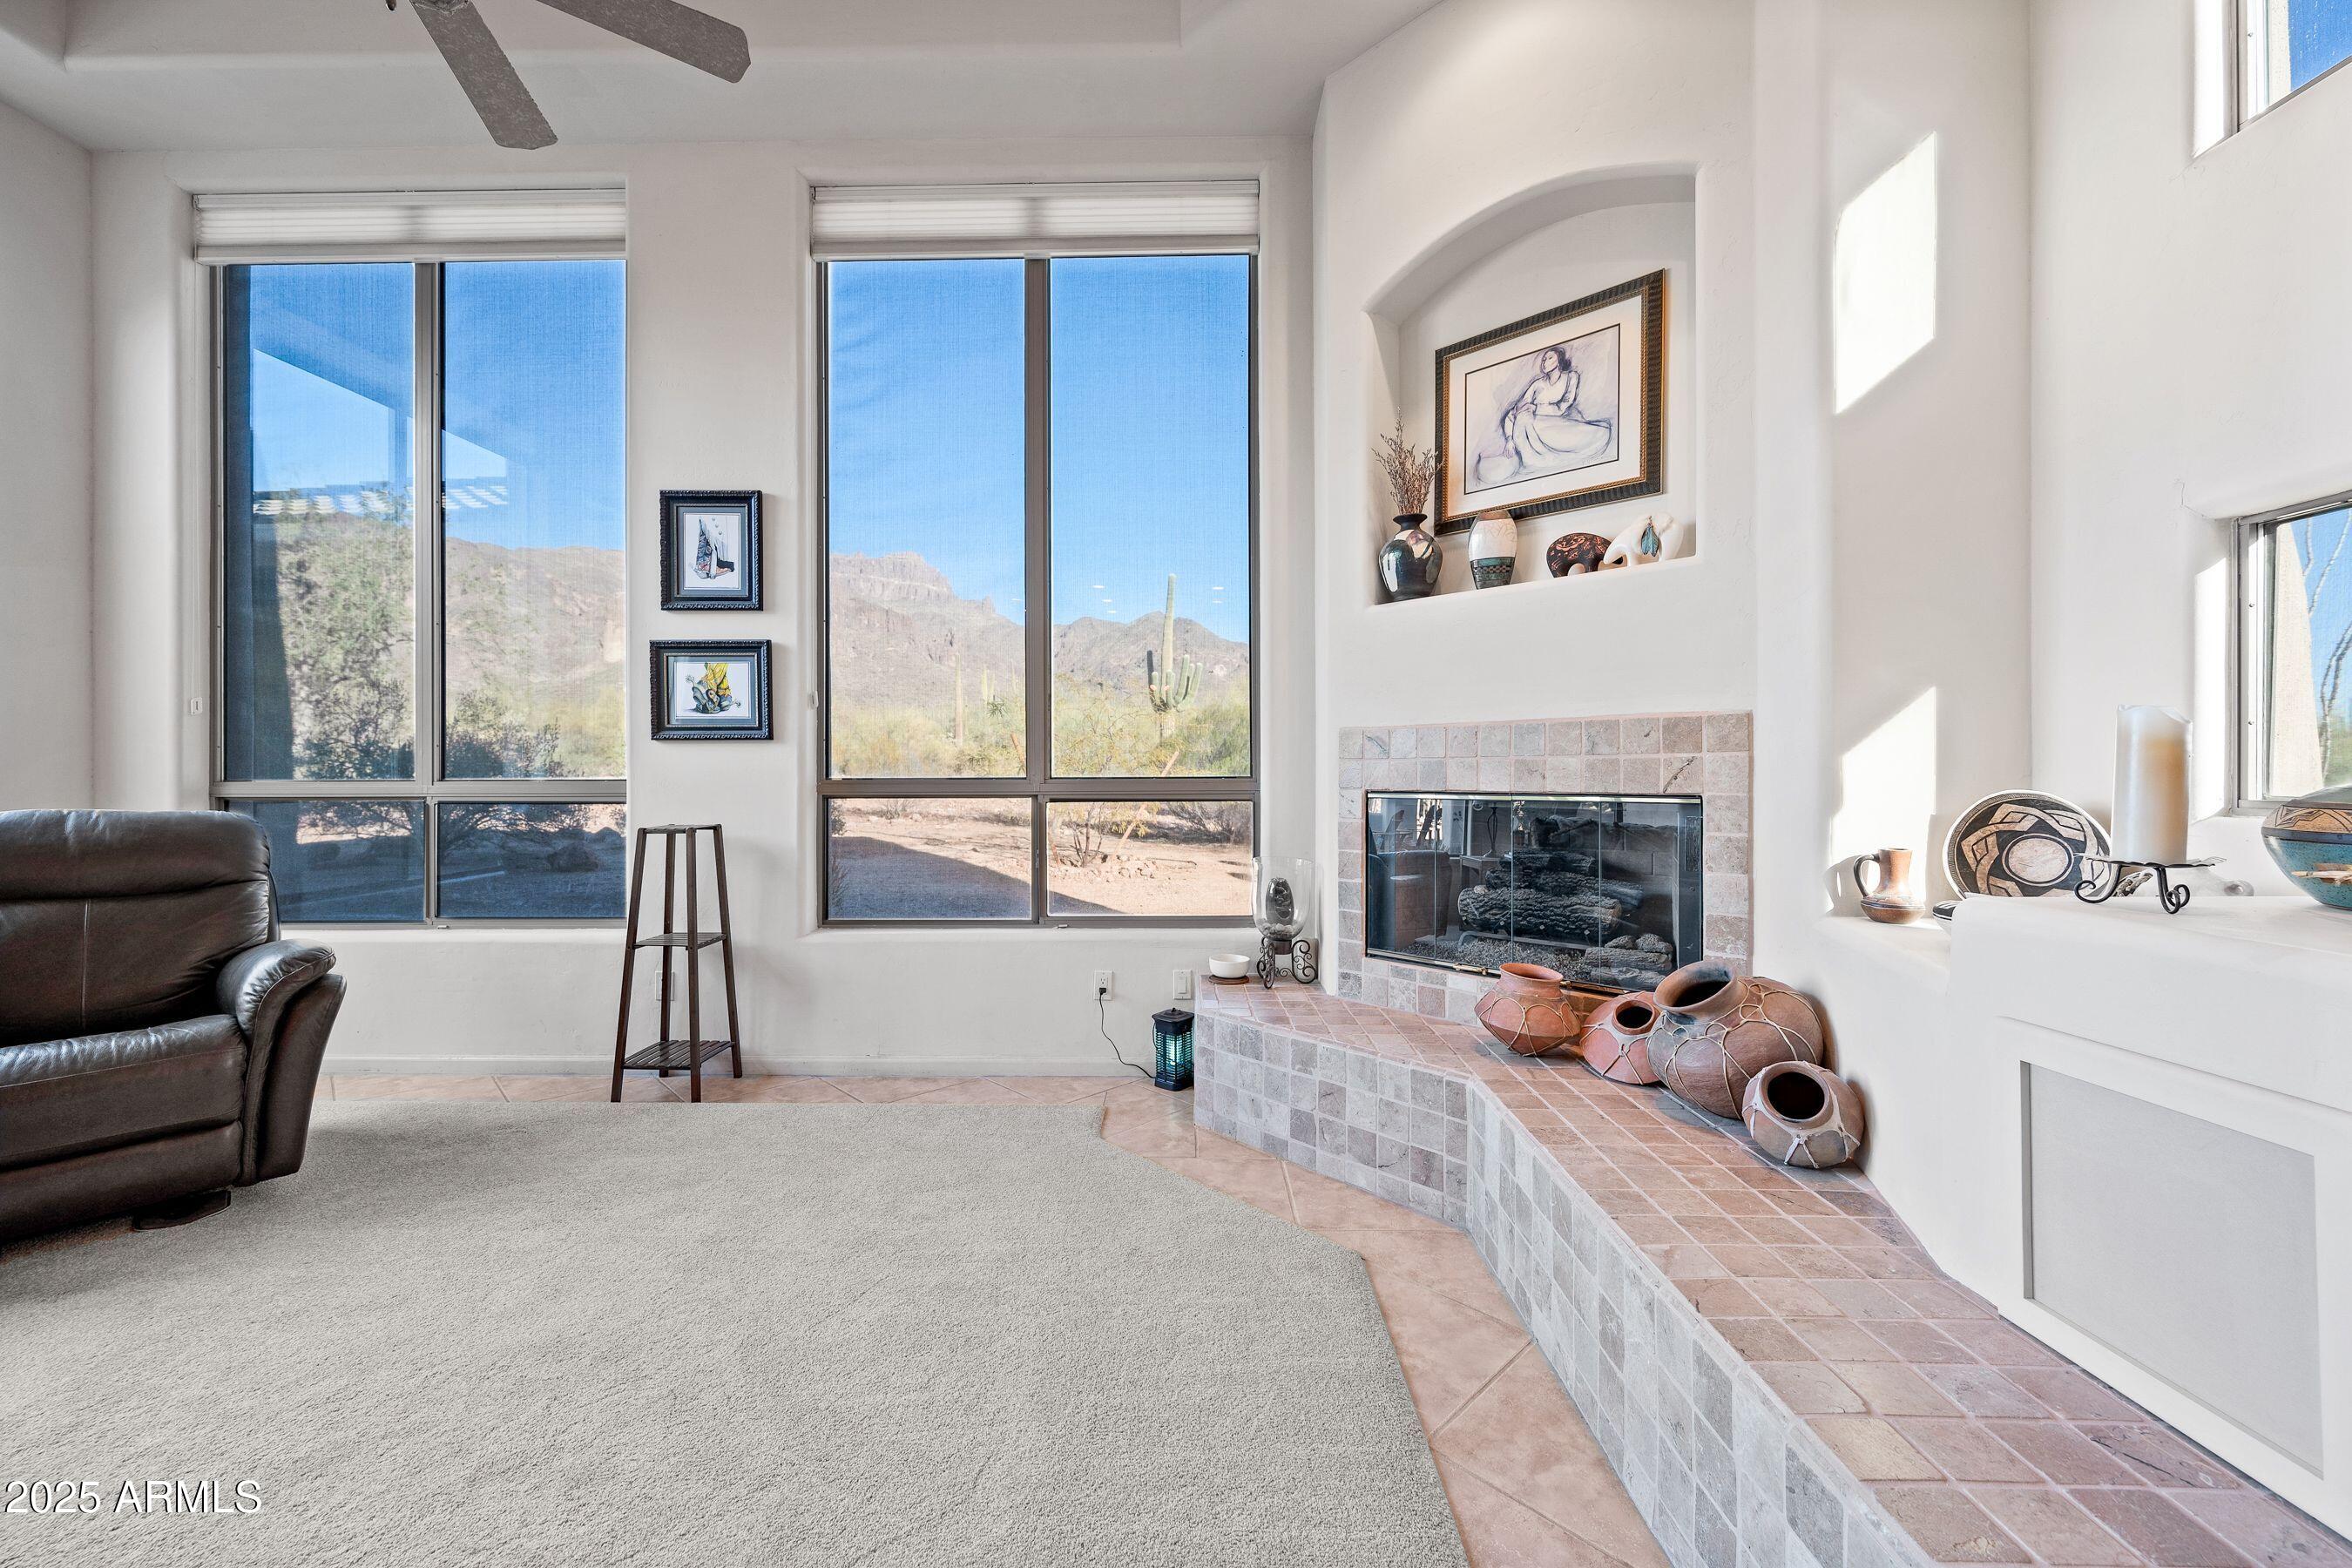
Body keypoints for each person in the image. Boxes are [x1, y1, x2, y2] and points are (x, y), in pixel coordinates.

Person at [1475, 344, 1613, 485]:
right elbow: (1516, 411)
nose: (1544, 362)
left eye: (1549, 358)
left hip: (1561, 426)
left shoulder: (1571, 377)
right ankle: (1531, 458)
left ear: (1559, 360)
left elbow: (1563, 407)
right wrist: (1510, 439)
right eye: (1543, 359)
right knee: (1523, 418)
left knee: (1598, 434)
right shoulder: (1537, 385)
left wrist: (1535, 408)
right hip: (1535, 432)